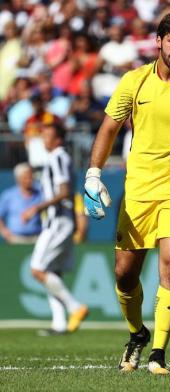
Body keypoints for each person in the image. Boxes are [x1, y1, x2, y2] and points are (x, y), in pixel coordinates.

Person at [83, 12, 170, 375]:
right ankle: (137, 333)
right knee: (124, 275)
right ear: (159, 41)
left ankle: (158, 354)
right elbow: (109, 127)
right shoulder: (134, 82)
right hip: (139, 189)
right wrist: (93, 174)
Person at [22, 123, 89, 336]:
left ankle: (75, 307)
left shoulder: (59, 157)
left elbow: (64, 191)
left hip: (58, 220)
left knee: (37, 269)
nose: (45, 140)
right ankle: (59, 323)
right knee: (52, 272)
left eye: (49, 136)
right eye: (44, 136)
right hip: (60, 220)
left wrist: (36, 208)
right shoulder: (57, 158)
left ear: (59, 139)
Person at [0, 162, 42, 244]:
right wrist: (4, 232)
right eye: (26, 177)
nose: (29, 180)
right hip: (15, 239)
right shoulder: (8, 195)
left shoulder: (40, 193)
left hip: (37, 238)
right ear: (18, 179)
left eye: (31, 177)